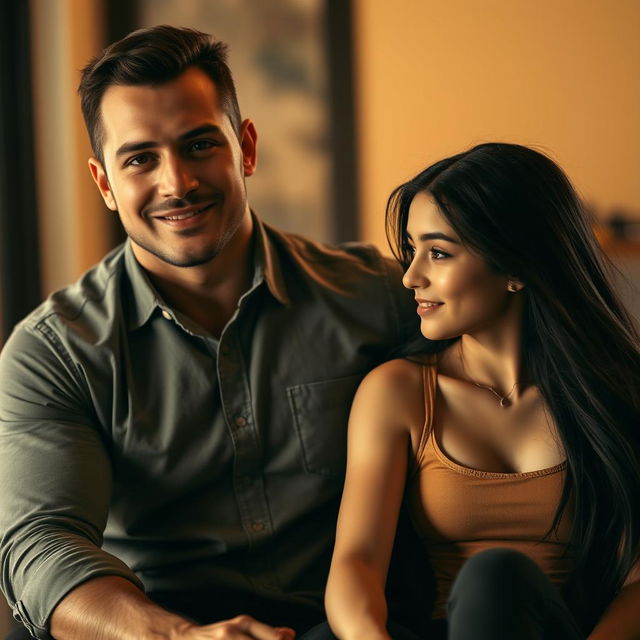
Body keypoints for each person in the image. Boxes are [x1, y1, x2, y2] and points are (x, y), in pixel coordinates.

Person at [0, 25, 425, 640]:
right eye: (140, 158)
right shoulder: (56, 351)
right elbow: (41, 545)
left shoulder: (381, 298)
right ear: (104, 184)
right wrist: (177, 637)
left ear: (245, 147)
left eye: (200, 145)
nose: (177, 183)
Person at [324, 143, 640, 639]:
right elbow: (356, 563)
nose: (411, 276)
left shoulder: (618, 389)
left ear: (516, 266)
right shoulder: (398, 391)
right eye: (411, 250)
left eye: (439, 253)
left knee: (497, 576)